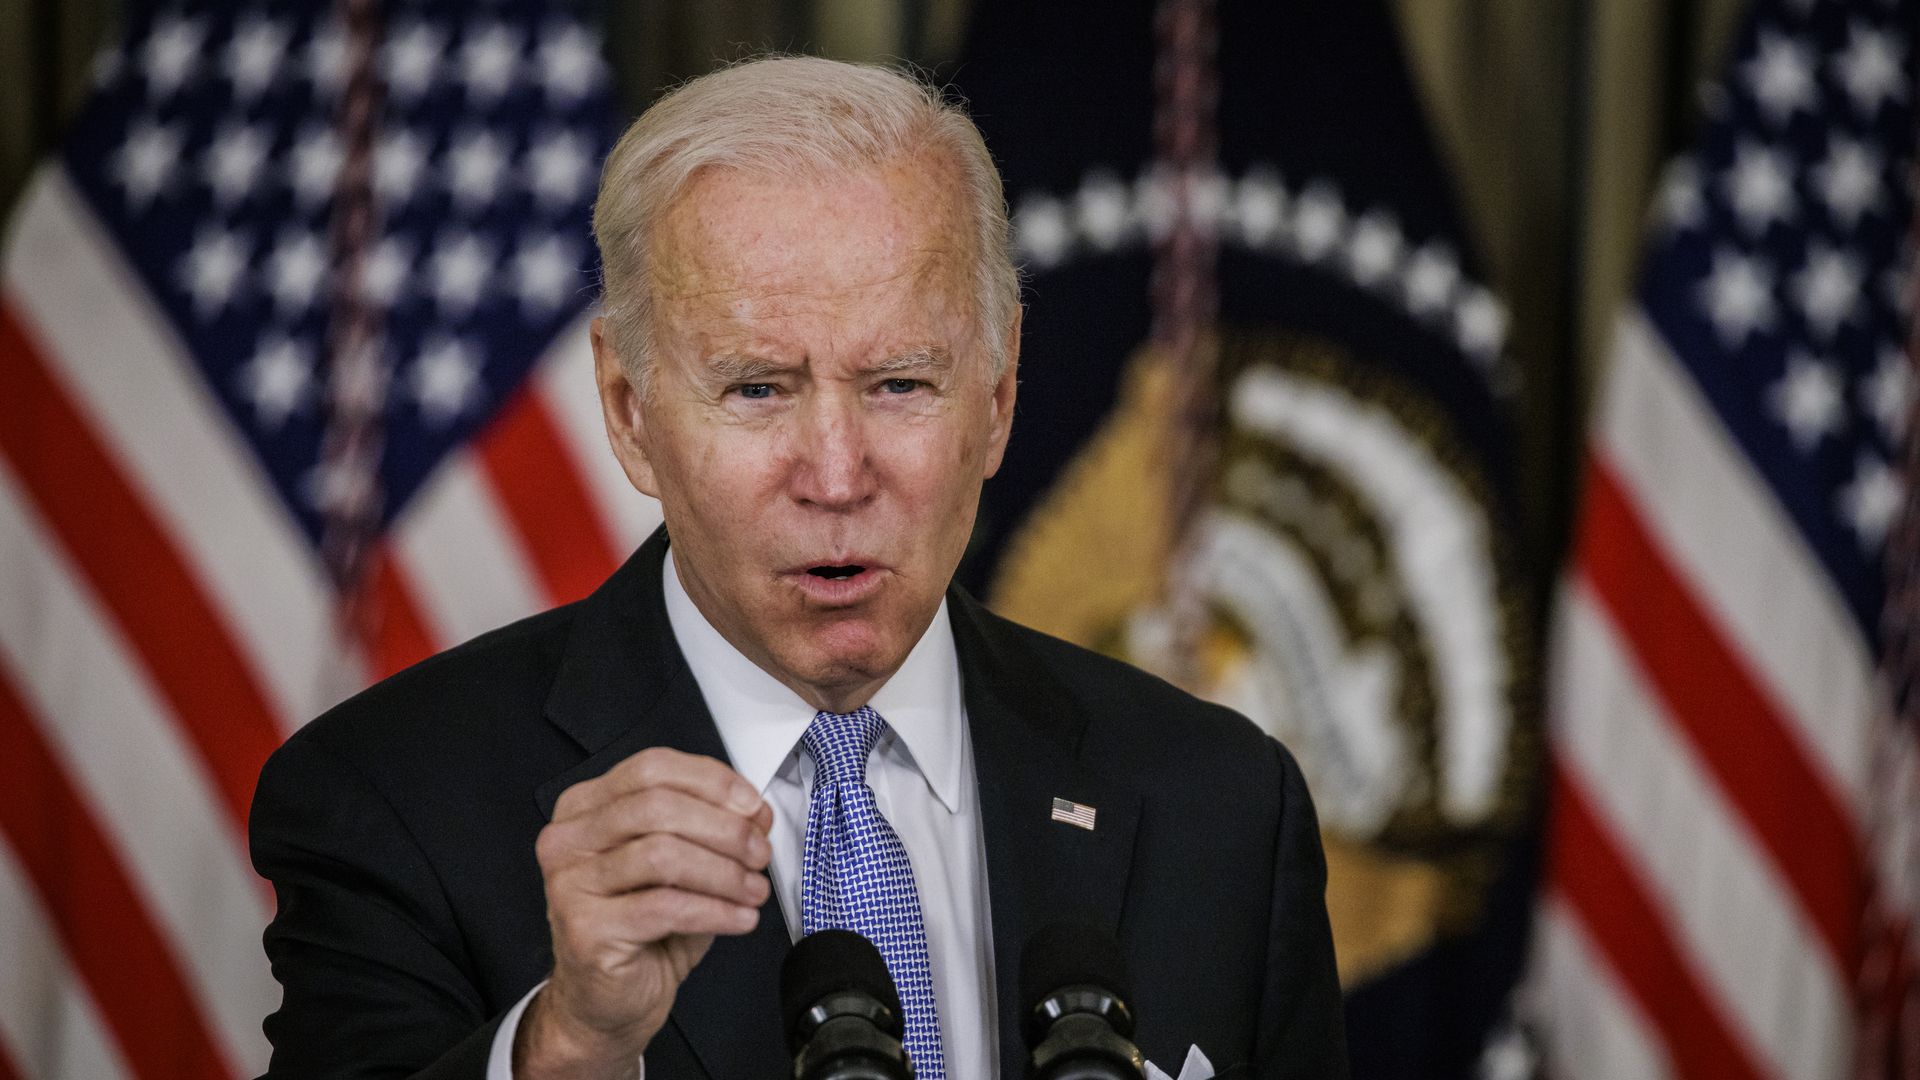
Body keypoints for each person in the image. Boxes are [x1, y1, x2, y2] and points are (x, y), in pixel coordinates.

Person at [249, 55, 1346, 1080]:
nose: (835, 475)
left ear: (1000, 394)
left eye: (900, 384)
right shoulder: (393, 804)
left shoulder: (1222, 808)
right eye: (759, 390)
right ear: (629, 412)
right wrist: (569, 1044)